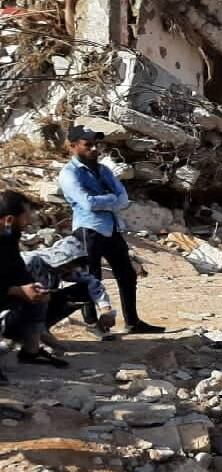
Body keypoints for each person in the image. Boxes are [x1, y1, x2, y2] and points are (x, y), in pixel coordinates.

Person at [59, 123, 164, 334]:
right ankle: (91, 323)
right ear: (73, 146)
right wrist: (110, 199)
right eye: (88, 145)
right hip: (88, 229)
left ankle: (133, 322)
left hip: (111, 227)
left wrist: (105, 200)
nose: (94, 149)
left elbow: (124, 198)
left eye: (96, 144)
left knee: (127, 274)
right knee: (91, 277)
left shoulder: (104, 169)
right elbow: (88, 203)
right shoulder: (69, 174)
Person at [11, 237, 118, 364]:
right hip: (12, 309)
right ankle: (26, 338)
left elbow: (91, 282)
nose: (70, 271)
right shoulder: (27, 262)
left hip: (34, 311)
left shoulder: (60, 269)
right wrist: (53, 343)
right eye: (68, 266)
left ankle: (37, 333)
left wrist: (106, 310)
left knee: (82, 289)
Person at [0, 191, 52, 380]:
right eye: (26, 216)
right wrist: (16, 290)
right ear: (9, 219)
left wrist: (31, 287)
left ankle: (31, 350)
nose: (29, 221)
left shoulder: (8, 236)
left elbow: (16, 267)